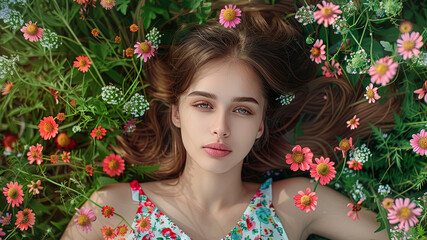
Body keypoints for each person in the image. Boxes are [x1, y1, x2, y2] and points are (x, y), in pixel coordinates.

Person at [62, 0, 400, 239]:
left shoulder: (294, 203)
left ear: (260, 125)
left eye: (242, 110)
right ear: (177, 112)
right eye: (203, 105)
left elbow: (408, 231)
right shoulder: (114, 207)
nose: (221, 128)